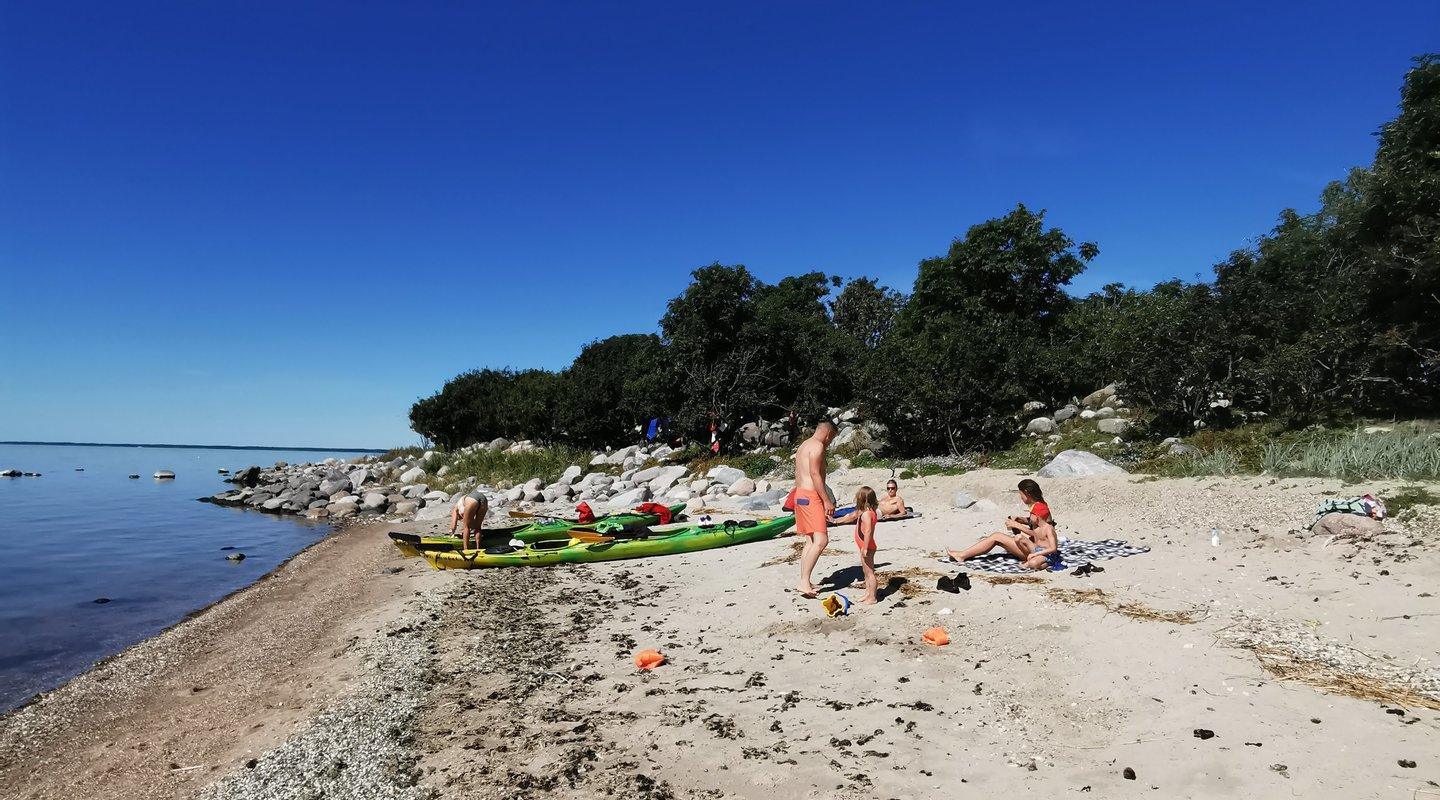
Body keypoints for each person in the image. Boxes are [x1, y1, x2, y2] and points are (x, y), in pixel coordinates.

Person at [946, 479, 1059, 570]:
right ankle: (963, 555)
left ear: (1027, 493)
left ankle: (962, 555)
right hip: (1035, 547)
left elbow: (1036, 533)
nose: (1021, 498)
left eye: (1021, 495)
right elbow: (1036, 523)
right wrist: (1020, 519)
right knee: (998, 537)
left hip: (1035, 550)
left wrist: (1016, 525)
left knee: (996, 537)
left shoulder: (1038, 508)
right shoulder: (1041, 505)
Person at [792, 421, 837, 597]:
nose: (830, 442)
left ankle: (805, 579)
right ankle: (803, 583)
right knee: (821, 540)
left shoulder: (804, 445)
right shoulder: (817, 446)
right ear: (828, 434)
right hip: (811, 497)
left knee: (811, 540)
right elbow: (815, 474)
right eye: (832, 438)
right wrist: (826, 500)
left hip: (800, 494)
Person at [832, 486, 880, 604]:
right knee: (865, 572)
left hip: (867, 547)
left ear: (863, 499)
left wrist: (865, 547)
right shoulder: (862, 512)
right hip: (864, 546)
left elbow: (868, 531)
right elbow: (851, 516)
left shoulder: (867, 514)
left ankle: (873, 597)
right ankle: (868, 593)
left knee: (869, 572)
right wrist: (835, 521)